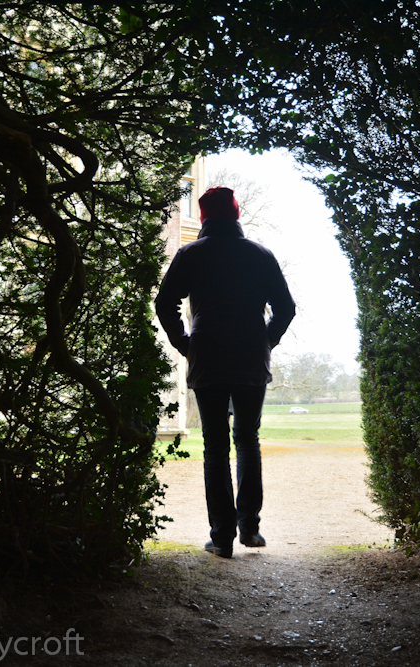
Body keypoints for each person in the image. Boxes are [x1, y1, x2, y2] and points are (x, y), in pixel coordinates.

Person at [155, 186, 295, 558]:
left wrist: (185, 344)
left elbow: (164, 302)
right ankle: (250, 527)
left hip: (209, 355)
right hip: (251, 355)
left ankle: (222, 538)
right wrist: (266, 341)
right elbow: (286, 308)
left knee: (215, 447)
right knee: (247, 439)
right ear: (235, 215)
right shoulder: (260, 255)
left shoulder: (191, 255)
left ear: (203, 218)